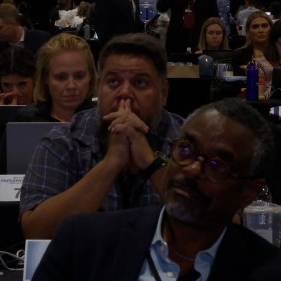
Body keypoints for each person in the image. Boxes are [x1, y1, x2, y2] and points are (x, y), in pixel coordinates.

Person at [32, 98, 280, 280]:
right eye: (186, 150)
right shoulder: (85, 241)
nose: (192, 169)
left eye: (217, 165)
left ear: (249, 191)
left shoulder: (267, 271)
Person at [20, 33, 184, 239]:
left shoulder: (190, 141)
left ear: (163, 92)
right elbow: (36, 232)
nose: (125, 92)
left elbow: (223, 228)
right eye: (113, 82)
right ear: (99, 87)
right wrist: (111, 163)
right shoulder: (62, 142)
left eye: (140, 83)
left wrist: (151, 163)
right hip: (86, 269)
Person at [0, 33, 97, 173]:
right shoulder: (24, 121)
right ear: (45, 78)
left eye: (79, 76)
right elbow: (1, 180)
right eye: (61, 77)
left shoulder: (105, 124)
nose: (71, 85)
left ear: (90, 76)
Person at [230, 11, 275, 93]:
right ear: (248, 31)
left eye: (264, 26)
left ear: (271, 29)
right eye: (255, 27)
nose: (261, 30)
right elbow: (235, 86)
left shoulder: (278, 53)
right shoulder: (239, 56)